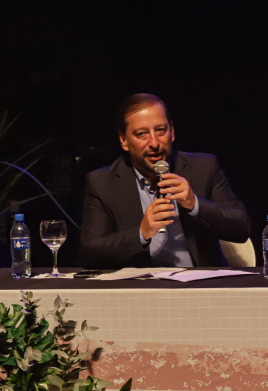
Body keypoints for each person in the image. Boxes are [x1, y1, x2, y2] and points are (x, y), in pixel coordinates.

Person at [80, 93, 250, 268]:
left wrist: (194, 204)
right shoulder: (102, 183)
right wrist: (141, 233)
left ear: (172, 131)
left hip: (199, 281)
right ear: (124, 140)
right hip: (142, 284)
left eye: (160, 130)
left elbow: (241, 228)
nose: (154, 143)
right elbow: (90, 253)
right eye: (142, 134)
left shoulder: (204, 168)